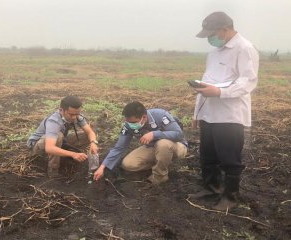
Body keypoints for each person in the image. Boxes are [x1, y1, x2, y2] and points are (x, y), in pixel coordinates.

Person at [188, 12, 259, 210]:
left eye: (211, 33)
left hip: (230, 115)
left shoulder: (244, 49)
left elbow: (248, 83)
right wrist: (197, 113)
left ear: (225, 29)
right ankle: (212, 187)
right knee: (207, 155)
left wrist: (219, 92)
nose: (209, 39)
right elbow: (206, 83)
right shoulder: (213, 54)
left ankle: (231, 196)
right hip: (209, 114)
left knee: (230, 158)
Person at [93, 101, 187, 185]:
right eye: (128, 122)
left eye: (134, 122)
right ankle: (161, 162)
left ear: (144, 117)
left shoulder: (161, 115)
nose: (131, 125)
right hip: (153, 147)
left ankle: (160, 177)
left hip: (177, 146)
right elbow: (119, 147)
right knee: (128, 164)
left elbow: (178, 134)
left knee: (163, 144)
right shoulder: (128, 126)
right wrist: (102, 167)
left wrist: (154, 134)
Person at [27, 96, 98, 178]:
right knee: (58, 136)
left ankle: (62, 155)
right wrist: (73, 154)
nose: (74, 117)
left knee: (89, 134)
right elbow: (49, 148)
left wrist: (93, 143)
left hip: (57, 141)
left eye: (77, 114)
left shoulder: (76, 115)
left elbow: (90, 132)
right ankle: (53, 173)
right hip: (38, 147)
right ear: (61, 110)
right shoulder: (54, 121)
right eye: (71, 114)